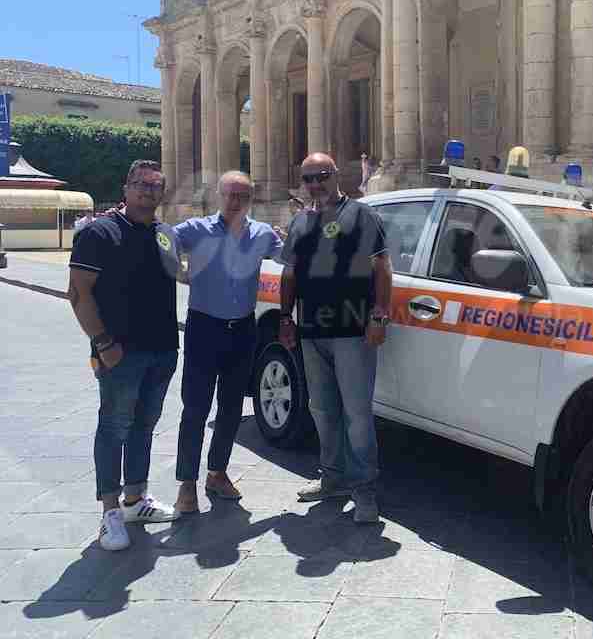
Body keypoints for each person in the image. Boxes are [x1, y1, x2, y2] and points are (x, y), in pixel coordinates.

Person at [68, 160, 181, 551]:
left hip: (163, 348)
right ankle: (110, 512)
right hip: (119, 350)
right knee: (113, 426)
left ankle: (135, 499)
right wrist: (102, 343)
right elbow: (78, 294)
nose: (149, 191)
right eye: (142, 184)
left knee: (144, 426)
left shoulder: (165, 233)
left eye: (156, 186)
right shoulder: (99, 232)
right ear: (127, 186)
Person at [277, 153, 392, 523]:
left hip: (353, 331)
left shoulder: (362, 215)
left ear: (336, 175)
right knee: (322, 409)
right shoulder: (300, 223)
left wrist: (379, 315)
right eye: (308, 178)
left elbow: (382, 268)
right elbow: (290, 275)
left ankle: (364, 490)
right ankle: (332, 478)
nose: (315, 184)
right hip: (312, 332)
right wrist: (285, 317)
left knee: (357, 415)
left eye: (321, 176)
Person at [171, 171, 284, 514]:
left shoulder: (262, 233)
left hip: (243, 329)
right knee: (195, 408)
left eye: (243, 196)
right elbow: (160, 241)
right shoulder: (196, 229)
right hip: (204, 327)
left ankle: (217, 474)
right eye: (230, 195)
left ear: (250, 200)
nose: (236, 201)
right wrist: (177, 270)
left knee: (232, 407)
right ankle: (187, 483)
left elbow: (292, 256)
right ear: (218, 195)